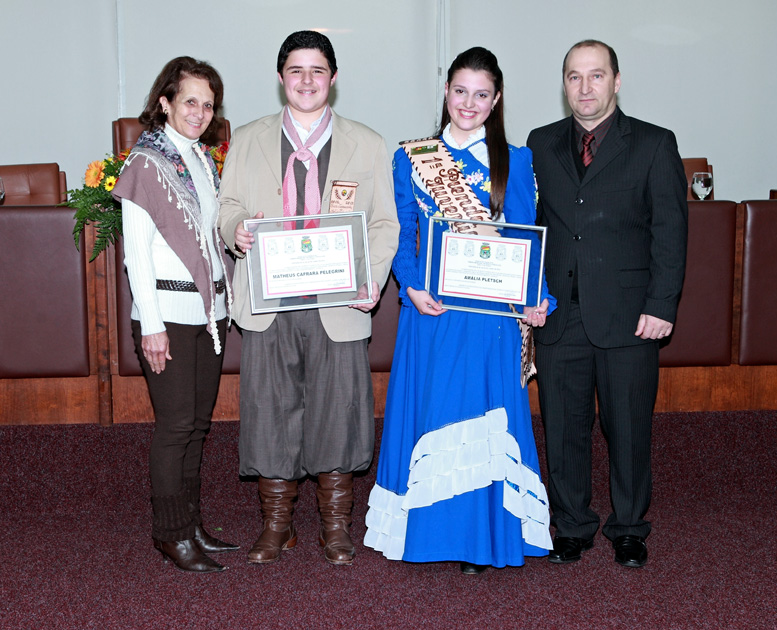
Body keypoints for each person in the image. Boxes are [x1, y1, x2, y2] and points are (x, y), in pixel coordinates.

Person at [363, 47, 555, 575]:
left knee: (481, 414)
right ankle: (428, 533)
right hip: (434, 311)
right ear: (445, 91)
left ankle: (481, 539)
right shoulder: (411, 157)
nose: (468, 103)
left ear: (495, 101)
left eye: (481, 94)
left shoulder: (515, 160)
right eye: (460, 90)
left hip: (490, 319)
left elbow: (526, 239)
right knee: (436, 412)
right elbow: (403, 234)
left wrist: (539, 297)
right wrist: (410, 286)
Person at [217, 30, 398, 566]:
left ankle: (335, 527)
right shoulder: (246, 139)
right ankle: (277, 527)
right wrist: (236, 232)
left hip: (338, 304)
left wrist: (374, 277)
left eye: (317, 71)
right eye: (296, 71)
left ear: (333, 79)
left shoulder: (368, 143)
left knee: (339, 412)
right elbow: (227, 207)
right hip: (269, 302)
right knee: (270, 411)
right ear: (281, 79)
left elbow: (385, 223)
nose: (306, 81)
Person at [527, 40, 688, 568]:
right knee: (564, 426)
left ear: (617, 81)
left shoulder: (654, 144)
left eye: (596, 76)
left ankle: (628, 529)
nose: (585, 87)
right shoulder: (540, 143)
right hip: (558, 314)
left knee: (628, 427)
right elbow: (530, 231)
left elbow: (669, 233)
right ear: (564, 83)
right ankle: (571, 525)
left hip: (630, 315)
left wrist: (662, 304)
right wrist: (529, 297)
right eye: (574, 76)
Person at [112, 56, 236, 573]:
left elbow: (210, 236)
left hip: (209, 312)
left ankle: (190, 524)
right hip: (168, 312)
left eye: (208, 104)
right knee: (176, 425)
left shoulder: (203, 160)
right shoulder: (144, 163)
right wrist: (153, 324)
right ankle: (170, 535)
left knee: (199, 425)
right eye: (190, 100)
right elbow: (135, 254)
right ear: (164, 101)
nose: (200, 112)